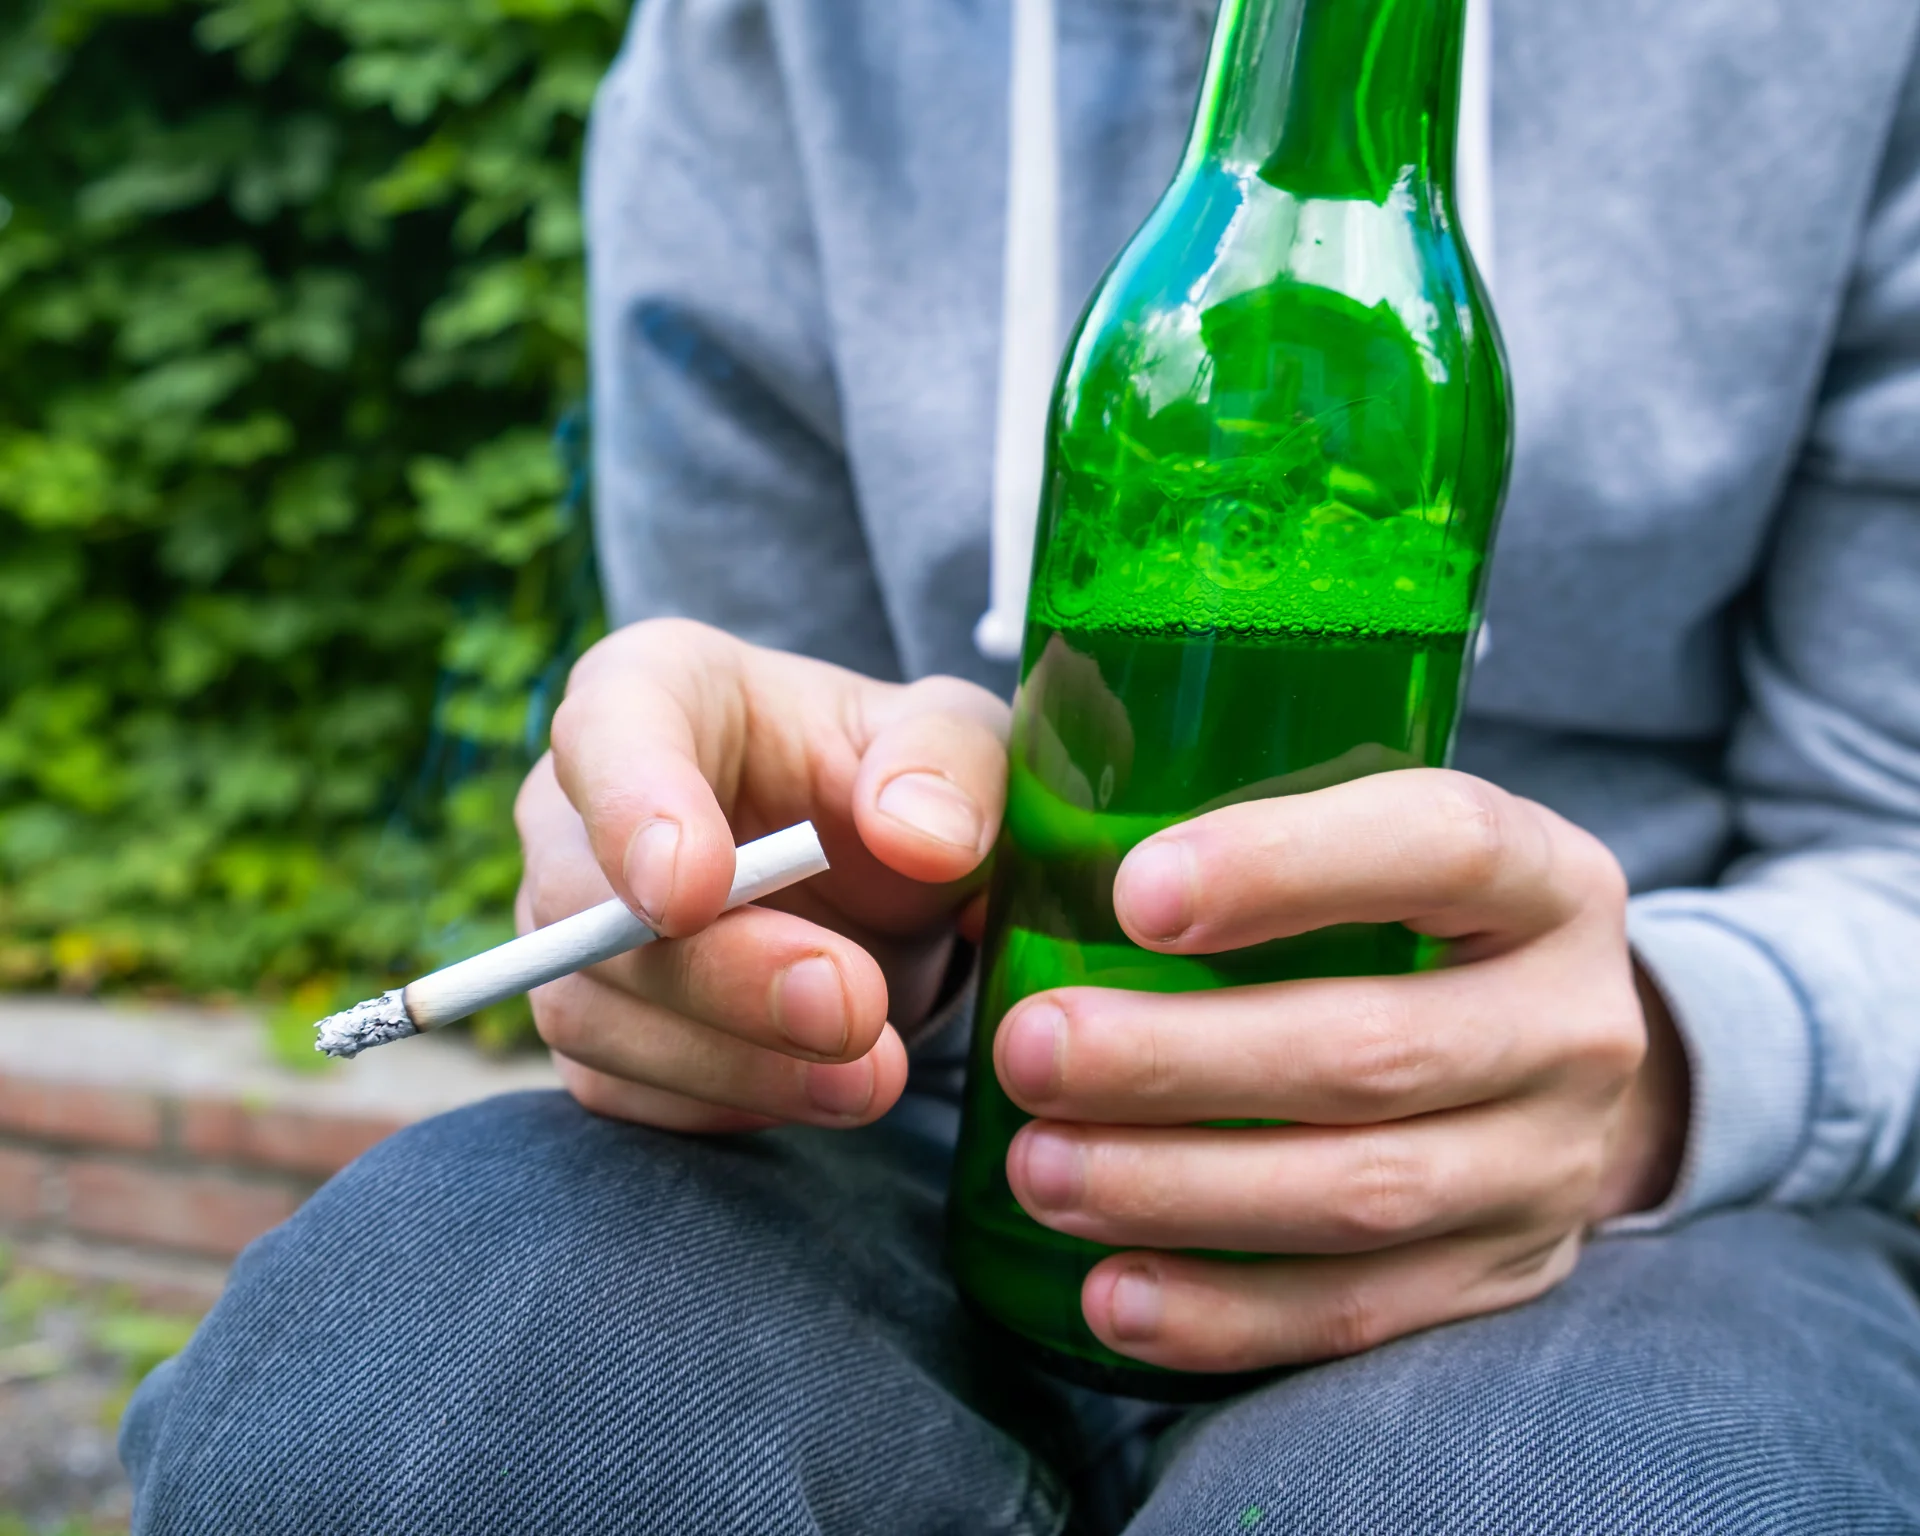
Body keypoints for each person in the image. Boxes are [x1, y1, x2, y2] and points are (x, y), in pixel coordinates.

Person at [122, 1, 1920, 1531]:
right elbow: (751, 686)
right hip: (933, 1116)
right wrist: (802, 900)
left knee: (1544, 1489)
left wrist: (1659, 1069)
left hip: (1640, 1189)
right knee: (429, 1369)